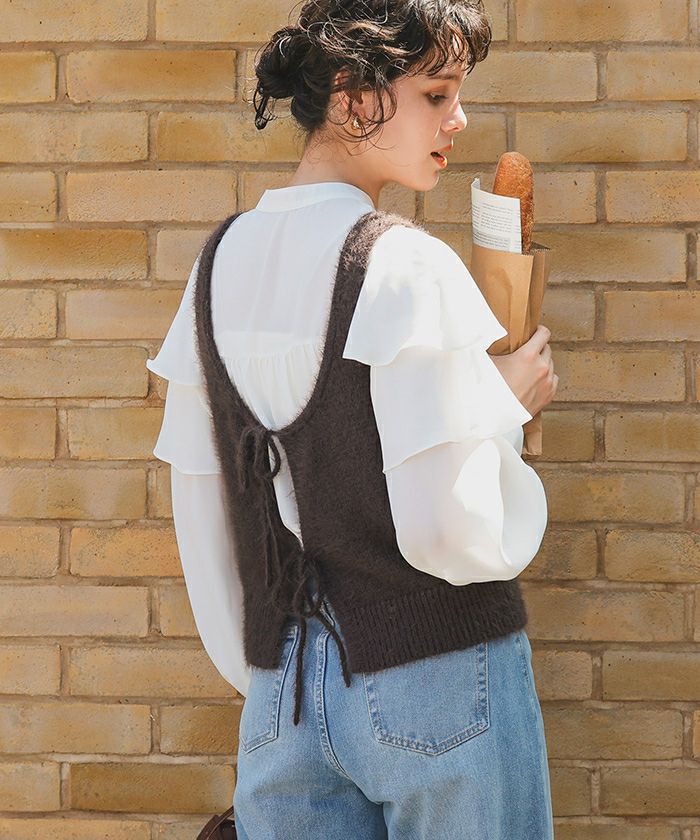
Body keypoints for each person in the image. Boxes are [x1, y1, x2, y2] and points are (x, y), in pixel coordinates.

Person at [146, 0, 558, 836]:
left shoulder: (216, 265)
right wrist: (502, 409)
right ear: (351, 92)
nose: (459, 120)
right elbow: (449, 533)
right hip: (440, 676)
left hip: (282, 695)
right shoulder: (405, 263)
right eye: (437, 95)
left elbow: (205, 519)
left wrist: (268, 677)